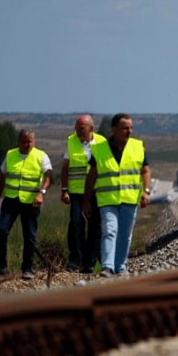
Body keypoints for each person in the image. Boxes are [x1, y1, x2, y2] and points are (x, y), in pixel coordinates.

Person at [83, 113, 150, 277]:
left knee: (125, 236)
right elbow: (92, 175)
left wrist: (146, 192)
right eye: (125, 128)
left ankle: (120, 266)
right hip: (108, 200)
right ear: (114, 129)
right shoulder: (100, 149)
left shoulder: (137, 147)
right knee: (109, 230)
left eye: (131, 128)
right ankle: (107, 266)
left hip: (130, 199)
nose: (129, 131)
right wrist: (86, 200)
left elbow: (145, 170)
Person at [0, 129, 53, 281]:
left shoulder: (41, 156)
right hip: (11, 200)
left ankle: (27, 268)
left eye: (30, 141)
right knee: (2, 230)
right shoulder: (10, 155)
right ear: (19, 141)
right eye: (24, 141)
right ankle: (0, 265)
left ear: (34, 141)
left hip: (31, 202)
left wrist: (41, 193)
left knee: (29, 235)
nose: (27, 145)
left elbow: (48, 176)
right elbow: (2, 178)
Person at [59, 114, 106, 273]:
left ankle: (89, 262)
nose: (78, 132)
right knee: (76, 223)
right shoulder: (71, 142)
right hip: (76, 192)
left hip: (95, 191)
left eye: (82, 129)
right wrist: (64, 190)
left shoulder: (102, 142)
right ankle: (75, 259)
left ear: (91, 129)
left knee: (94, 227)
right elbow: (65, 169)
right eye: (77, 128)